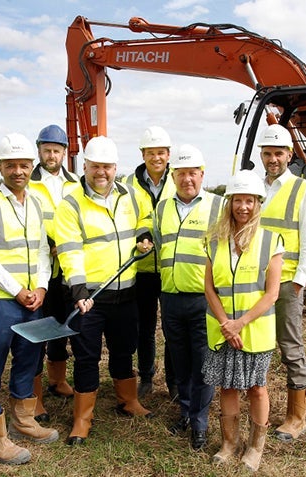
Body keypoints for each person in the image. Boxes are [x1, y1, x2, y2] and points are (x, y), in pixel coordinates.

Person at [54, 135, 154, 446]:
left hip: (126, 291)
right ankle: (82, 418)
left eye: (107, 167)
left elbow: (145, 217)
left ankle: (128, 401)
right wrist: (80, 289)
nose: (102, 173)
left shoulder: (130, 194)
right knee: (87, 356)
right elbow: (69, 250)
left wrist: (144, 234)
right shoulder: (70, 204)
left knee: (125, 348)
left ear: (115, 168)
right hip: (91, 297)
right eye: (95, 167)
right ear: (85, 166)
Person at [0, 133, 58, 465]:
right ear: (0, 167)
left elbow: (41, 253)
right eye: (11, 165)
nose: (18, 171)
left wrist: (42, 289)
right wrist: (16, 290)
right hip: (3, 300)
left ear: (31, 166)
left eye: (24, 165)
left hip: (33, 297)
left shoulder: (35, 203)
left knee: (28, 357)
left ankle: (23, 420)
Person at [202, 169, 284, 472]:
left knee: (257, 388)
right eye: (238, 200)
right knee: (227, 387)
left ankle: (255, 447)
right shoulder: (215, 240)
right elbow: (209, 287)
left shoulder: (270, 240)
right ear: (230, 203)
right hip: (223, 330)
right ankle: (229, 443)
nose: (243, 207)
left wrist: (240, 323)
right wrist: (226, 323)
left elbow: (272, 293)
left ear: (258, 203)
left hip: (255, 331)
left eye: (249, 201)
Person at [153, 145, 224, 451]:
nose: (187, 180)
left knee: (203, 364)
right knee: (180, 362)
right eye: (180, 174)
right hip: (170, 297)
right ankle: (185, 411)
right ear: (173, 176)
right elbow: (158, 246)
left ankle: (200, 424)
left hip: (203, 300)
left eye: (192, 173)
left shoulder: (218, 206)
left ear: (202, 175)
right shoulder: (162, 208)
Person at [257, 124, 306, 442]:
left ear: (289, 155)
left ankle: (296, 417)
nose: (272, 159)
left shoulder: (302, 189)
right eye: (267, 153)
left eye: (278, 153)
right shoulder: (256, 188)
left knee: (290, 348)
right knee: (260, 345)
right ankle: (260, 409)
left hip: (286, 284)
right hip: (256, 282)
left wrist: (298, 282)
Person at [28, 124, 80, 422]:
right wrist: (49, 245)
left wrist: (67, 246)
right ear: (39, 150)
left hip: (66, 267)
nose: (51, 155)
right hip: (38, 267)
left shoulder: (76, 183)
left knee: (62, 325)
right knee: (38, 330)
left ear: (64, 152)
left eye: (56, 150)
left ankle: (58, 380)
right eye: (46, 150)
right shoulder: (29, 182)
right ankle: (33, 396)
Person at [124, 126, 178, 398]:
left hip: (171, 267)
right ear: (142, 154)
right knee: (143, 327)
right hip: (142, 268)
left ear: (169, 154)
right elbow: (126, 218)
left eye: (161, 152)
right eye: (150, 153)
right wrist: (141, 235)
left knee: (171, 328)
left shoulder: (178, 179)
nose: (156, 157)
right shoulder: (127, 184)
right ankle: (146, 376)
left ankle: (174, 382)